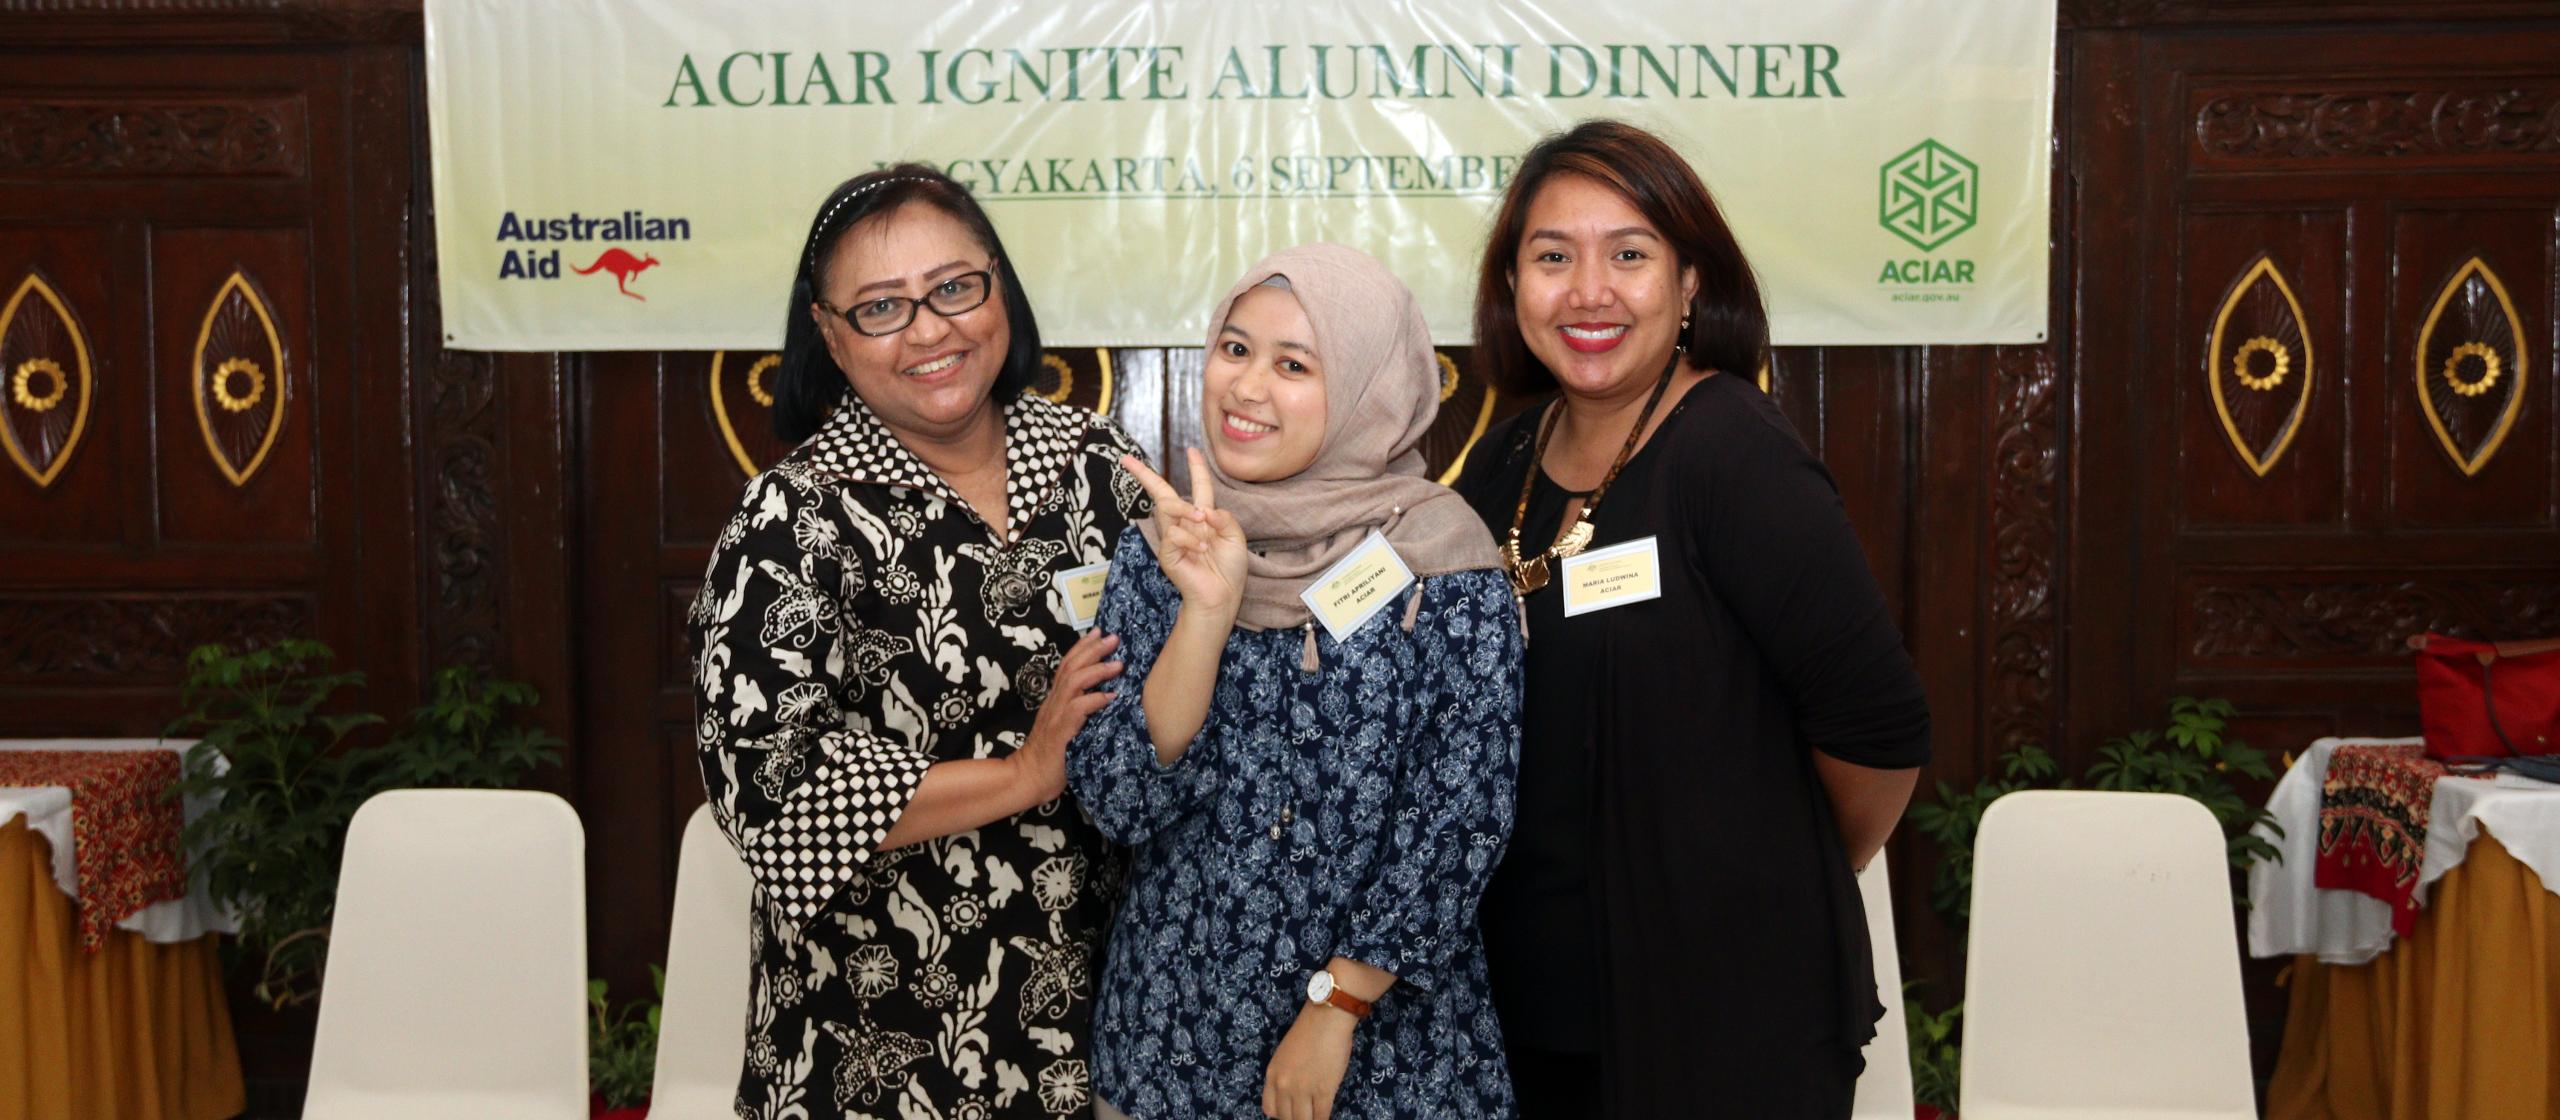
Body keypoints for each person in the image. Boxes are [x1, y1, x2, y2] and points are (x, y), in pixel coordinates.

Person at [1454, 120, 1932, 1118]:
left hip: (1723, 1011)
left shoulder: (1731, 454)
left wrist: (1756, 868)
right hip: (1531, 1006)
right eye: (1552, 257)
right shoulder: (1500, 463)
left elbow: (1881, 734)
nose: (1588, 290)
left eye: (1628, 254)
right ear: (1511, 289)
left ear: (1686, 288)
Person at [689, 164, 1150, 1120]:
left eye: (953, 288)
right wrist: (1028, 771)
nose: (932, 329)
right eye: (882, 308)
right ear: (827, 333)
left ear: (998, 285)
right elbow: (769, 797)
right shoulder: (793, 520)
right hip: (881, 1039)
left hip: (1108, 1023)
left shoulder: (1103, 467)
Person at [1068, 244, 1523, 1120]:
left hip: (1384, 1050)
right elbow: (1119, 799)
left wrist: (1338, 1006)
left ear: (1369, 388)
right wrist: (1205, 613)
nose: (1246, 387)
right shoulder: (1164, 547)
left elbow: (1461, 815)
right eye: (1234, 349)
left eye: (1293, 365)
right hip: (1175, 1039)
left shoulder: (1444, 564)